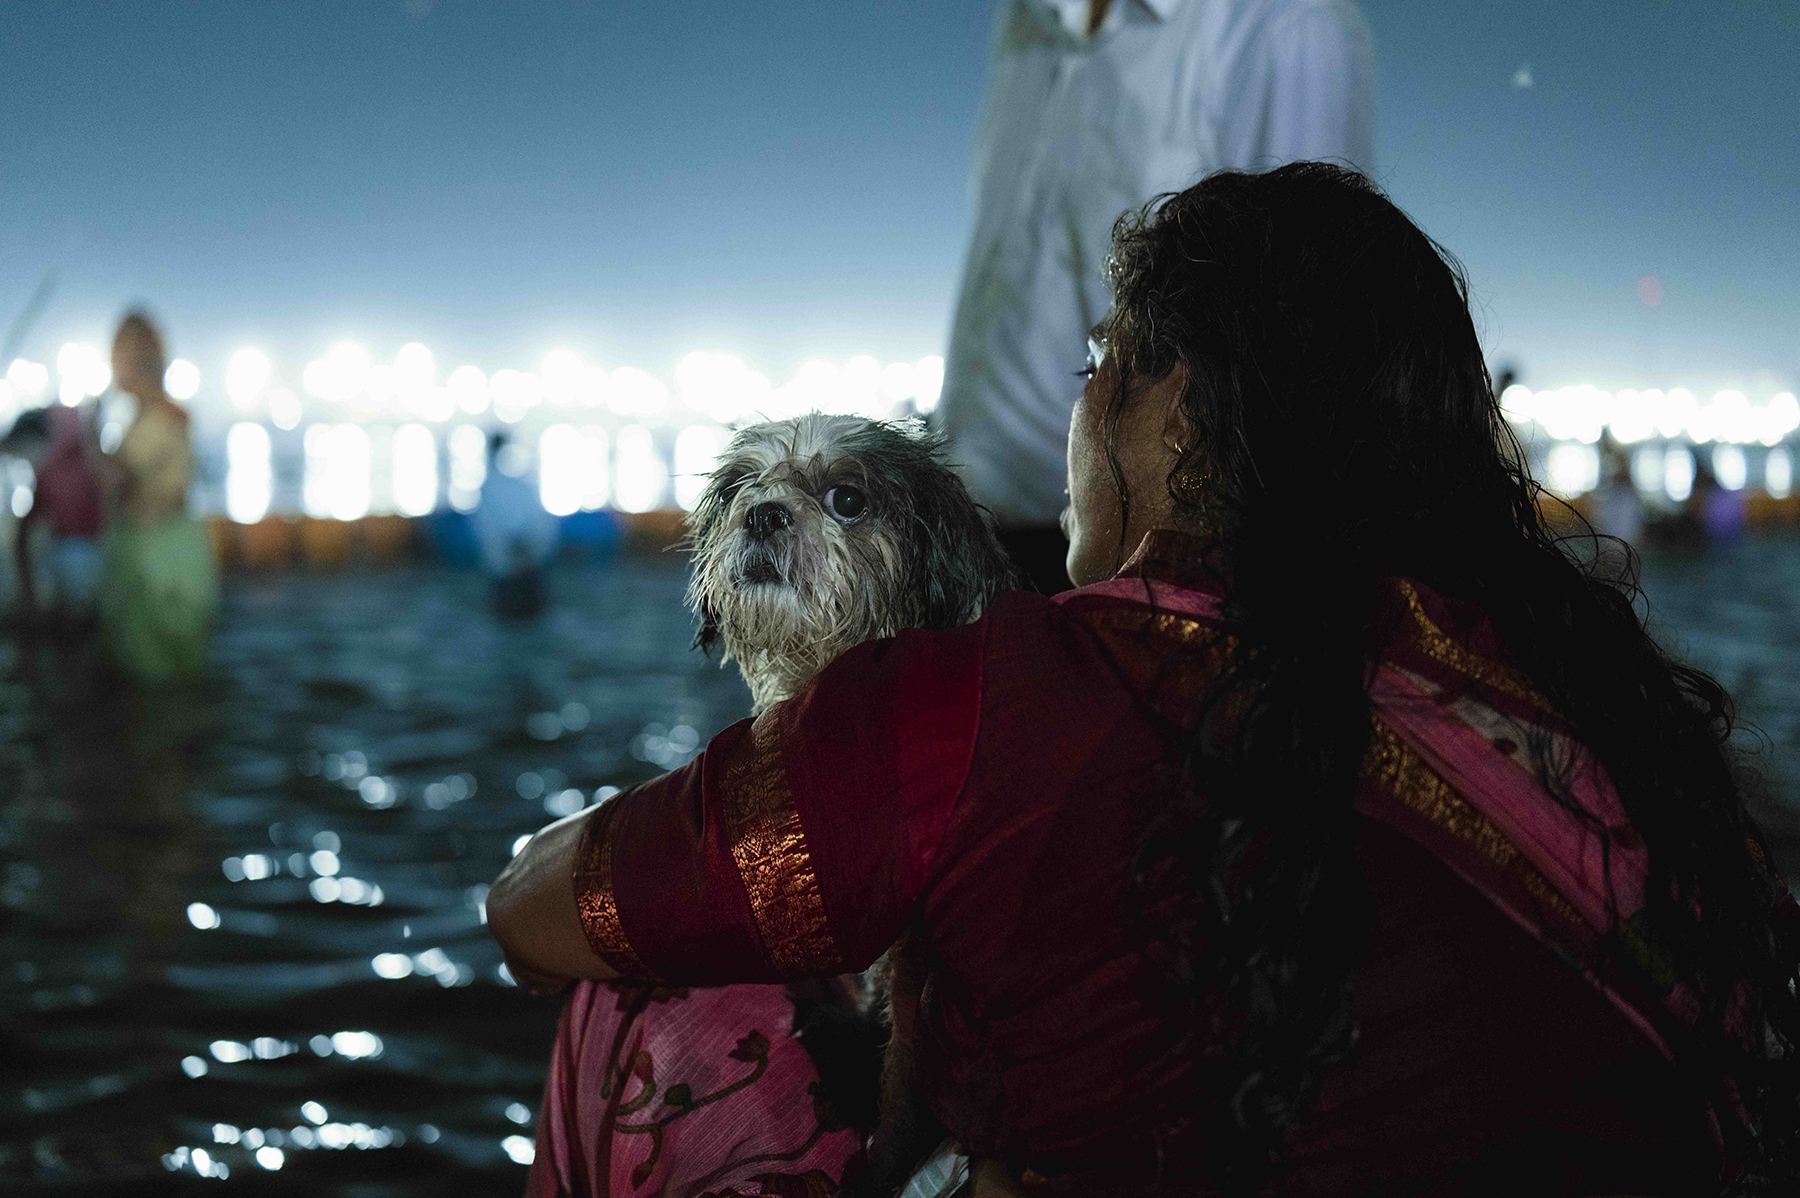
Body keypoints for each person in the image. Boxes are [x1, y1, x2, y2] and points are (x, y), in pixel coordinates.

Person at [491, 165, 1800, 1194]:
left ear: (1169, 403)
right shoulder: (1573, 696)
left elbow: (538, 913)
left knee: (648, 1001)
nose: (1073, 415)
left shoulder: (992, 696)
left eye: (1096, 365)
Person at [935, 0, 1374, 594]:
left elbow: (1304, 349)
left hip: (1099, 567)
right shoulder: (1026, 15)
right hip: (955, 520)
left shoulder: (1288, 29)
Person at [96, 312, 219, 681]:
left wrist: (86, 439)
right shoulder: (153, 416)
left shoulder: (160, 419)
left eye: (116, 356)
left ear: (135, 362)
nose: (113, 367)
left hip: (160, 564)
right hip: (159, 554)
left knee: (158, 676)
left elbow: (119, 477)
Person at [2, 404, 106, 625]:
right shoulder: (67, 462)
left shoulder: (64, 468)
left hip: (82, 550)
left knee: (79, 616)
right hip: (80, 550)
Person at [469, 430, 559, 618]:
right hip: (519, 555)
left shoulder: (492, 488)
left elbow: (485, 528)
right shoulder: (517, 485)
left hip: (517, 556)